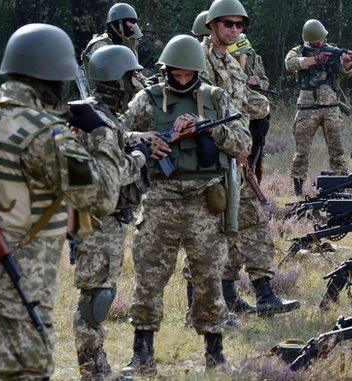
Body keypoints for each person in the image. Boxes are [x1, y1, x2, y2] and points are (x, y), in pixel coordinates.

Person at [0, 23, 144, 380]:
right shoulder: (42, 134)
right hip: (17, 280)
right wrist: (102, 135)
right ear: (55, 78)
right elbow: (101, 196)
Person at [121, 35, 250, 375]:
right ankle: (142, 353)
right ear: (165, 71)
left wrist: (208, 131)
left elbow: (242, 140)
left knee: (209, 274)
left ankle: (214, 351)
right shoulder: (146, 100)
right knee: (149, 274)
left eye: (186, 75)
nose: (180, 80)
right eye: (174, 75)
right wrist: (145, 140)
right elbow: (118, 135)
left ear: (197, 72)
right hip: (160, 197)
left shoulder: (215, 99)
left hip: (204, 199)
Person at [193, 0, 300, 317]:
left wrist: (257, 109)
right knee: (210, 235)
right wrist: (233, 141)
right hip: (210, 162)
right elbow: (201, 112)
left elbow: (252, 104)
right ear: (213, 25)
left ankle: (264, 295)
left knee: (252, 222)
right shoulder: (200, 59)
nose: (235, 30)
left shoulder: (230, 62)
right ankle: (207, 305)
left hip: (235, 160)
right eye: (228, 24)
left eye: (240, 25)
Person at [71, 45, 150, 381]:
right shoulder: (100, 122)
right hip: (100, 222)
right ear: (117, 79)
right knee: (95, 299)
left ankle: (97, 367)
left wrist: (132, 139)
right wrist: (140, 158)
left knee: (99, 293)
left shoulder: (100, 115)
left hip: (103, 220)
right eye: (131, 75)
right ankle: (93, 372)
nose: (137, 82)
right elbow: (112, 174)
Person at [285, 19, 352, 195]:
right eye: (318, 40)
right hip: (307, 108)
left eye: (323, 39)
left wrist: (346, 62)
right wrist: (314, 60)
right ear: (309, 39)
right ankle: (298, 189)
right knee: (301, 152)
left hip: (331, 107)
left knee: (337, 150)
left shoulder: (333, 51)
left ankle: (340, 187)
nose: (322, 42)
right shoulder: (299, 51)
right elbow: (290, 64)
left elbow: (347, 72)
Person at [228, 33, 270, 182]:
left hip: (251, 105)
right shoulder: (220, 60)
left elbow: (265, 82)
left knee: (262, 125)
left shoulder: (254, 58)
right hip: (234, 106)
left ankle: (251, 169)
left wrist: (257, 82)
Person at [81, 3, 150, 88]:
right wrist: (144, 90)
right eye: (129, 26)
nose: (132, 31)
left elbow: (132, 72)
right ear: (119, 24)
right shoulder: (100, 45)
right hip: (105, 96)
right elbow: (120, 74)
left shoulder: (116, 46)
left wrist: (147, 83)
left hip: (121, 95)